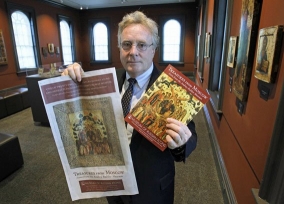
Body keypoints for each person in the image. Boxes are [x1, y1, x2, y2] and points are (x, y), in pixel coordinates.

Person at [62, 11, 197, 204]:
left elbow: (191, 135)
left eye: (141, 45)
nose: (133, 51)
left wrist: (181, 142)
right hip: (115, 188)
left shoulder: (171, 88)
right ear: (119, 48)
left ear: (153, 49)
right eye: (127, 44)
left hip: (153, 189)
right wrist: (71, 79)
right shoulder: (104, 83)